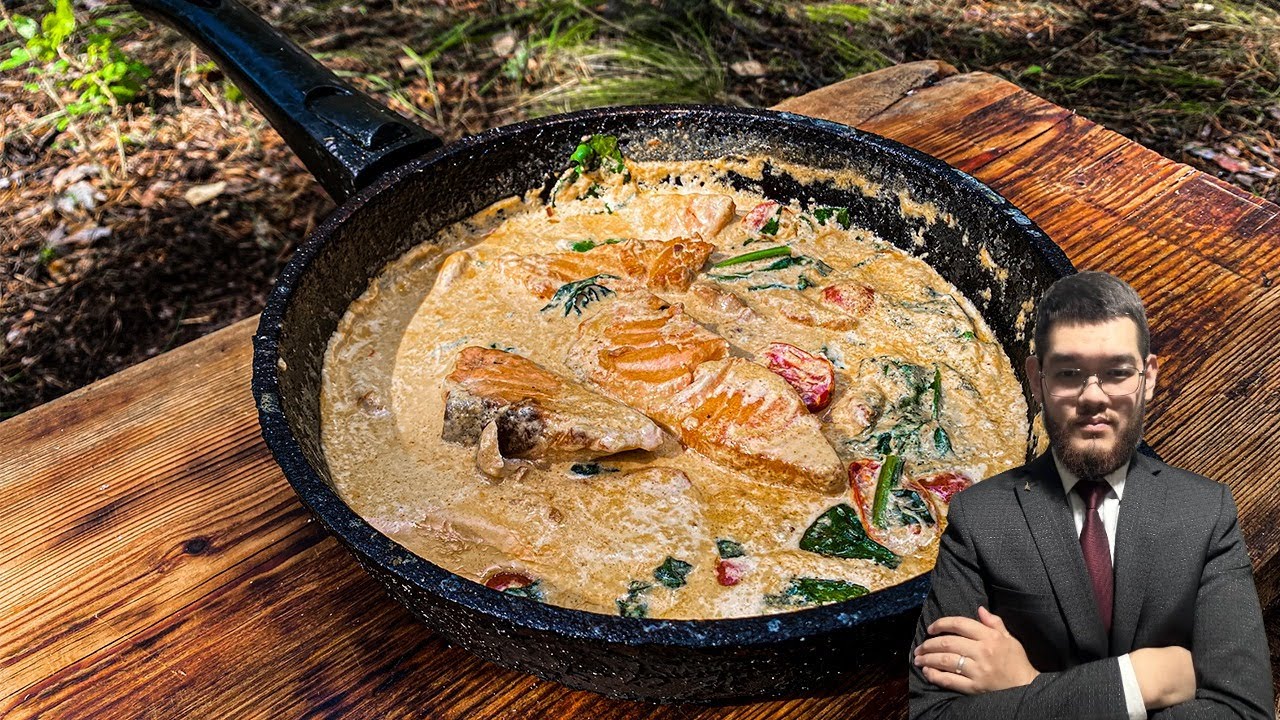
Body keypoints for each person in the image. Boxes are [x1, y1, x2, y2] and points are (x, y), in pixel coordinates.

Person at [908, 271, 1274, 719]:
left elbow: (1243, 713)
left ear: (1149, 377)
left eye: (1117, 373)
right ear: (1037, 381)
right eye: (1069, 373)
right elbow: (933, 714)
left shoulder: (1205, 513)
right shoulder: (980, 517)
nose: (1093, 397)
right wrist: (1139, 682)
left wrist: (1029, 686)